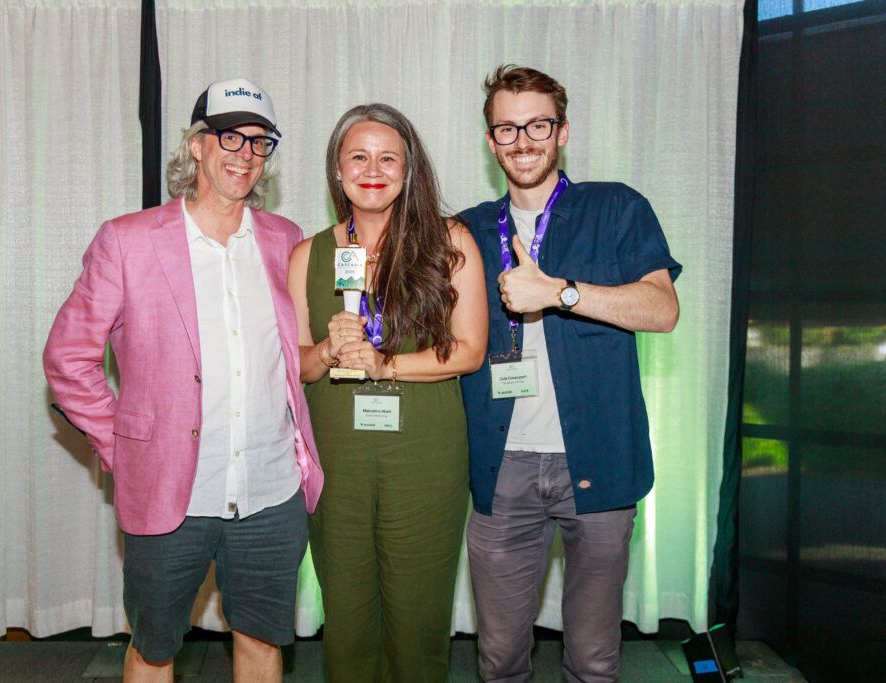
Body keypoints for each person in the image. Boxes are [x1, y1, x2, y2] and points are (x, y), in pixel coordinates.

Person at [43, 78, 323, 683]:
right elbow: (68, 358)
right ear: (196, 145)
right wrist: (123, 446)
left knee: (262, 642)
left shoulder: (286, 240)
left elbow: (295, 353)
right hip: (171, 491)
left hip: (271, 489)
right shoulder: (127, 241)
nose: (245, 154)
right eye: (230, 137)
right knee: (154, 648)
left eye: (260, 142)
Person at [457, 65, 682, 683]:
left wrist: (560, 292)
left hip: (601, 460)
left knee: (593, 658)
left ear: (562, 131)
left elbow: (662, 310)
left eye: (537, 125)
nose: (522, 140)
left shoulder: (616, 207)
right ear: (490, 140)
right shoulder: (467, 229)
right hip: (502, 467)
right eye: (507, 128)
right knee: (499, 657)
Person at [287, 103, 488, 682]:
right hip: (338, 457)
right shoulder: (308, 255)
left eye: (387, 158)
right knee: (347, 616)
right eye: (358, 157)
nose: (372, 170)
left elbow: (470, 350)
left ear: (408, 169)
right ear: (337, 169)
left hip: (424, 453)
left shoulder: (450, 242)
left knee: (418, 617)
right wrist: (330, 350)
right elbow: (298, 365)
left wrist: (385, 364)